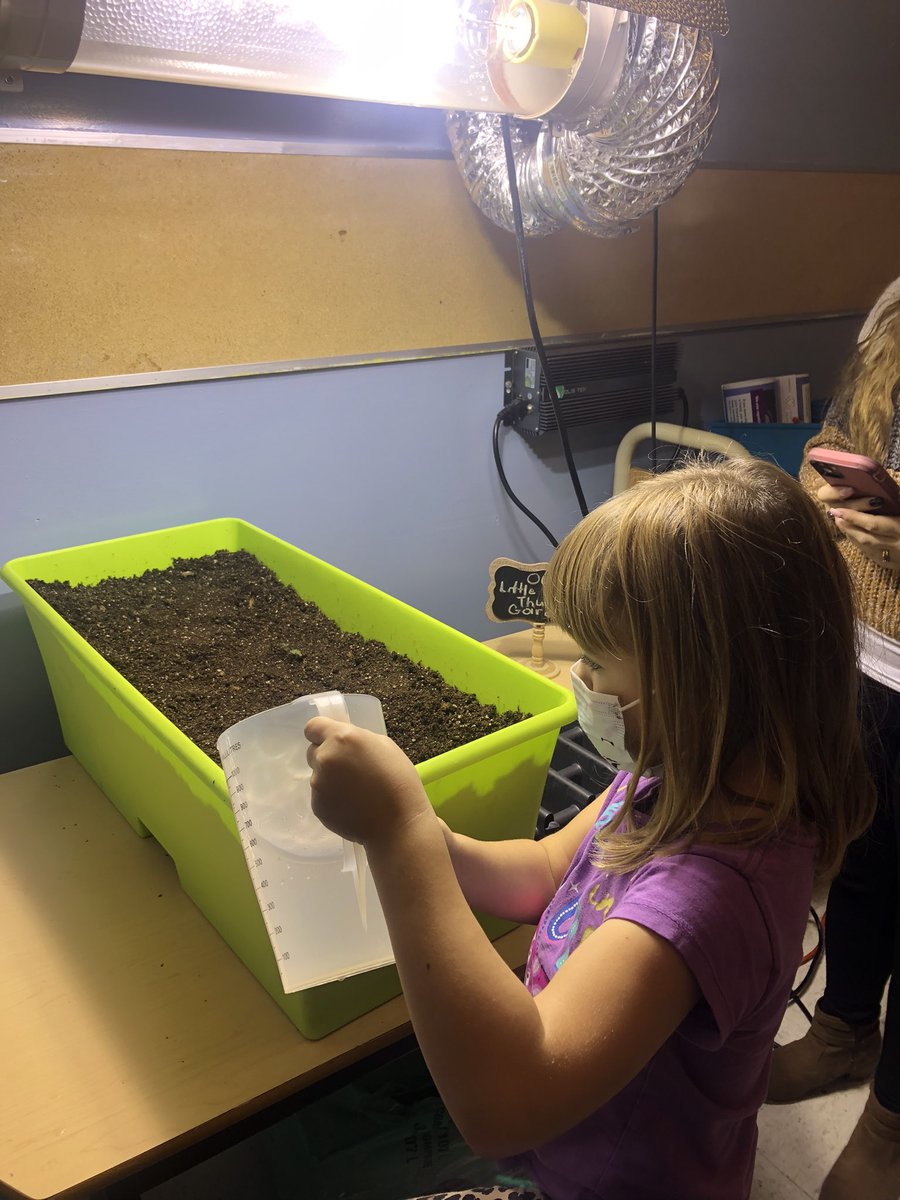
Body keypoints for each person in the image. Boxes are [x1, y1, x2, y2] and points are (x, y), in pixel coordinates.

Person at [306, 457, 874, 1200]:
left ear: (707, 683)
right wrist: (440, 844)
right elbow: (543, 870)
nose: (584, 684)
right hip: (580, 1144)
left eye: (601, 662)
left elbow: (508, 1104)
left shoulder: (710, 893)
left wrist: (399, 836)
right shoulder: (674, 773)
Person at [766, 278, 900, 1200]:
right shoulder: (892, 314)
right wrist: (827, 494)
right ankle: (846, 1031)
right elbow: (849, 442)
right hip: (874, 654)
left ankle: (890, 1127)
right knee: (862, 859)